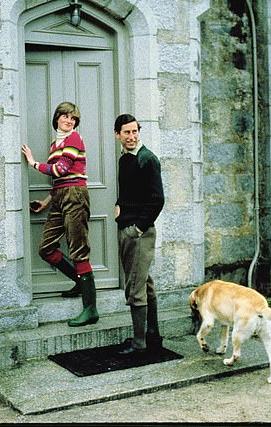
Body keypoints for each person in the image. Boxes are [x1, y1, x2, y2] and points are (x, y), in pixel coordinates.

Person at [21, 101, 99, 327]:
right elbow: (57, 181)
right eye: (65, 116)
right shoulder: (56, 144)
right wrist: (46, 202)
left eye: (73, 118)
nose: (69, 120)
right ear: (57, 118)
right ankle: (78, 280)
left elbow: (61, 170)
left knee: (79, 250)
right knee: (46, 248)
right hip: (60, 196)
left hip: (75, 195)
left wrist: (33, 163)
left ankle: (90, 309)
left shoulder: (74, 139)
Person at [113, 114, 165, 354]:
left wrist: (138, 228)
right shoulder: (125, 159)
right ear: (117, 135)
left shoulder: (147, 160)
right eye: (126, 132)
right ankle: (153, 335)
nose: (131, 136)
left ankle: (139, 344)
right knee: (145, 283)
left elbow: (157, 200)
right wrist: (118, 204)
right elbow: (130, 191)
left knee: (135, 286)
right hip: (127, 226)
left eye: (135, 132)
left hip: (139, 233)